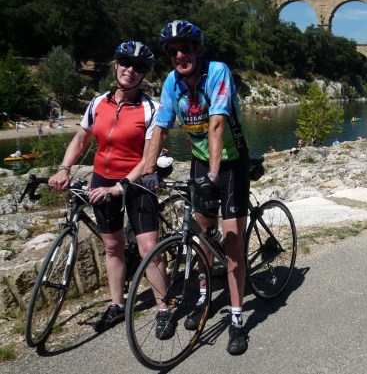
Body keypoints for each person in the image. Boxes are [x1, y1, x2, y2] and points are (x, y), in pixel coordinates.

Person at [48, 41, 175, 338]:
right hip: (102, 180)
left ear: (144, 74)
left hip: (137, 183)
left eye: (138, 67)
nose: (130, 70)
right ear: (116, 65)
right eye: (125, 63)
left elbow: (148, 156)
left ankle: (164, 308)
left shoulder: (151, 108)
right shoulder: (97, 102)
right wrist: (64, 168)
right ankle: (117, 304)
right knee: (113, 246)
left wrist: (121, 186)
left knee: (149, 249)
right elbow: (81, 139)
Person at [141, 20, 251, 355]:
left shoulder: (217, 71)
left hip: (230, 164)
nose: (179, 55)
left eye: (185, 49)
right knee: (202, 236)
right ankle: (204, 297)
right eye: (173, 51)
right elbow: (161, 127)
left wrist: (214, 176)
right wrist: (148, 171)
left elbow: (217, 122)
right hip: (202, 161)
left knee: (232, 243)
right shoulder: (171, 83)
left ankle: (236, 318)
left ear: (198, 50)